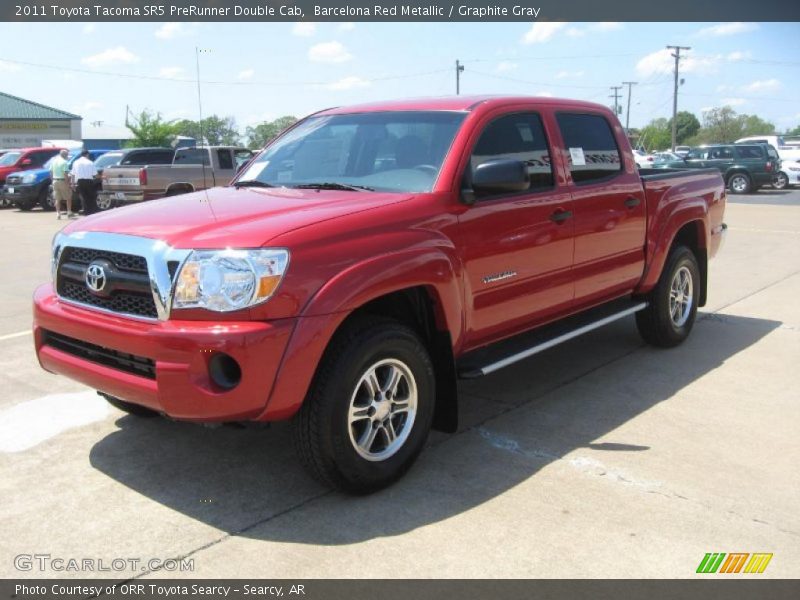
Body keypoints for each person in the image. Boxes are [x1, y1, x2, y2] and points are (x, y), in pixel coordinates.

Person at [70, 149, 99, 216]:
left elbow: (73, 174)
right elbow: (95, 174)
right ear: (87, 155)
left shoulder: (75, 162)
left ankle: (85, 211)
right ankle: (92, 211)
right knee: (91, 197)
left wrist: (73, 184)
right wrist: (102, 177)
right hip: (89, 181)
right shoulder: (90, 162)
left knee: (83, 197)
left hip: (80, 181)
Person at [50, 149, 72, 219]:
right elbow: (65, 173)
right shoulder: (64, 162)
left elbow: (50, 172)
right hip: (62, 180)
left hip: (55, 180)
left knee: (57, 198)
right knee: (68, 197)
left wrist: (52, 180)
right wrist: (68, 182)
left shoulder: (54, 161)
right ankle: (69, 212)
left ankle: (58, 213)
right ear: (65, 155)